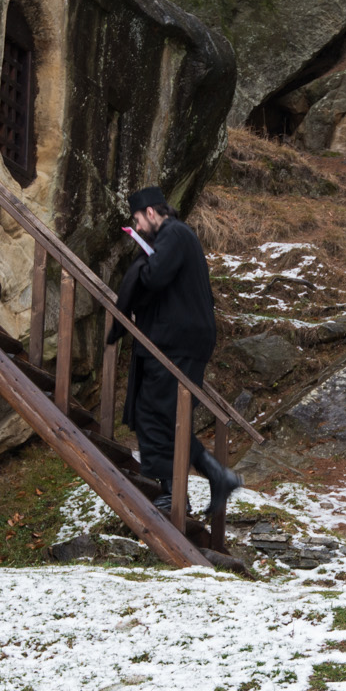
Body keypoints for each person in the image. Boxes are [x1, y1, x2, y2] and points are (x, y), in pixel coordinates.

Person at [114, 186, 242, 522]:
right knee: (154, 411)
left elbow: (155, 278)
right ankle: (205, 479)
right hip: (176, 338)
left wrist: (140, 265)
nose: (139, 228)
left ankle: (181, 489)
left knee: (159, 411)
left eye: (139, 221)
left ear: (152, 213)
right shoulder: (176, 236)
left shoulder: (174, 233)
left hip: (179, 341)